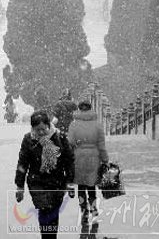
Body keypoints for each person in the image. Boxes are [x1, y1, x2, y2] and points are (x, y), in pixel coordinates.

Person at [15, 110, 75, 238]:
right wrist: (19, 186)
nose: (41, 132)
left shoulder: (59, 137)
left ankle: (51, 236)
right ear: (33, 129)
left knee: (53, 212)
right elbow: (22, 164)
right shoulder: (28, 140)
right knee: (44, 209)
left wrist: (70, 182)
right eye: (37, 130)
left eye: (43, 129)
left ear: (49, 125)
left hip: (57, 181)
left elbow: (69, 161)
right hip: (37, 182)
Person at [67, 100, 109, 236]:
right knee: (91, 185)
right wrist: (105, 159)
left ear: (79, 109)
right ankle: (94, 207)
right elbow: (101, 145)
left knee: (81, 185)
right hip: (94, 157)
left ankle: (83, 210)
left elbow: (70, 143)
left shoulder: (73, 125)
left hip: (78, 157)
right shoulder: (97, 125)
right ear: (91, 109)